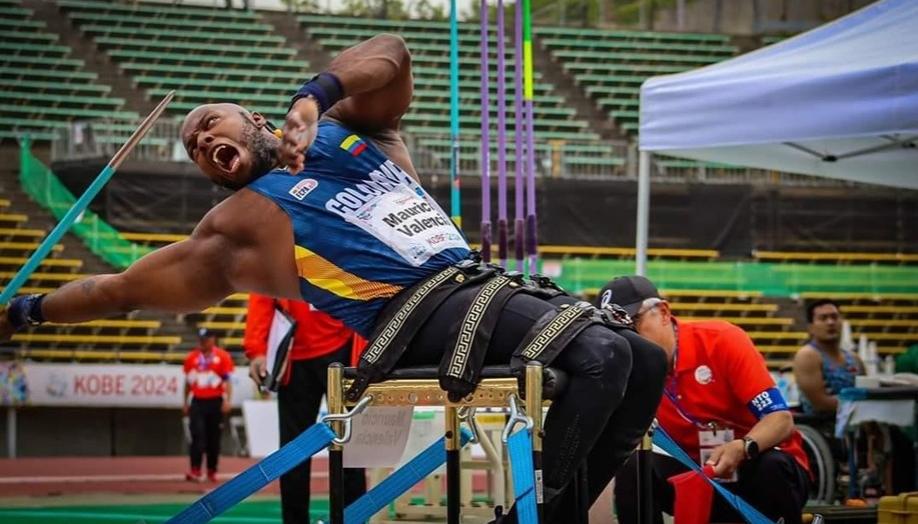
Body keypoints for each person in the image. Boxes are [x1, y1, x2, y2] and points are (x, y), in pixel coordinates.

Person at [0, 34, 666, 521]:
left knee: (641, 359)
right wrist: (25, 311)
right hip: (409, 317)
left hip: (475, 285)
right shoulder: (234, 230)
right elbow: (116, 291)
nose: (203, 143)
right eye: (196, 150)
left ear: (254, 120)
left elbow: (394, 54)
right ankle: (537, 513)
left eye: (209, 125)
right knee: (605, 352)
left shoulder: (350, 131)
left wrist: (315, 96)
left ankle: (556, 510)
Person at [603, 276, 810, 524]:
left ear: (664, 313)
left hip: (755, 464)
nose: (628, 337)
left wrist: (743, 447)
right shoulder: (627, 368)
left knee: (771, 466)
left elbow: (780, 419)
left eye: (633, 322)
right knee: (633, 468)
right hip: (696, 476)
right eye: (616, 329)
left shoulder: (722, 340)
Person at [243, 294, 366, 523]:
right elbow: (261, 289)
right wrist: (256, 350)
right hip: (294, 353)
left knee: (351, 452)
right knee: (293, 453)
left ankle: (354, 518)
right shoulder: (275, 257)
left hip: (345, 349)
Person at [793, 299, 863, 414]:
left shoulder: (854, 358)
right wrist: (863, 404)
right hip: (821, 427)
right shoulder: (808, 356)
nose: (830, 322)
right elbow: (821, 404)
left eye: (834, 317)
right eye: (823, 318)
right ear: (810, 327)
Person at [182, 328, 234, 482]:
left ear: (213, 339)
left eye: (205, 339)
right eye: (201, 339)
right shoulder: (192, 357)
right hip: (197, 401)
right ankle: (195, 469)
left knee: (214, 438)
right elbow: (187, 382)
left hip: (215, 402)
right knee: (197, 435)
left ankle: (212, 470)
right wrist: (185, 402)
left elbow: (228, 381)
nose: (202, 342)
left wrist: (227, 400)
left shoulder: (222, 357)